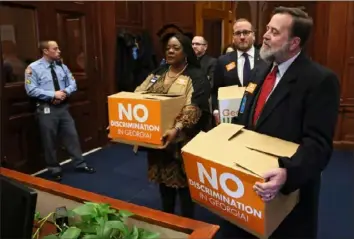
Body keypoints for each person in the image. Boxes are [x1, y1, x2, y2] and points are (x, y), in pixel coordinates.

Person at [224, 7, 340, 239]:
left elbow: (318, 146)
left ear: (294, 42)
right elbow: (245, 115)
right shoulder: (260, 70)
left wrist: (288, 173)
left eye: (274, 32)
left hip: (288, 198)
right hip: (248, 186)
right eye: (267, 28)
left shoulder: (320, 81)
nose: (265, 35)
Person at [134, 34, 211, 218]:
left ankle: (187, 224)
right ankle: (168, 219)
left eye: (176, 48)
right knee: (163, 183)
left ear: (185, 52)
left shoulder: (196, 75)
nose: (170, 51)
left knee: (184, 187)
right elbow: (137, 94)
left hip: (182, 141)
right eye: (168, 47)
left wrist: (177, 128)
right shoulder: (158, 73)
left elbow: (195, 106)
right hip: (158, 139)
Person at [24, 40, 95, 181]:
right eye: (55, 49)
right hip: (46, 108)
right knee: (49, 140)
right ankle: (54, 169)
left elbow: (73, 83)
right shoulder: (33, 68)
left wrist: (63, 93)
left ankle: (80, 164)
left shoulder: (61, 66)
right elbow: (31, 90)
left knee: (72, 136)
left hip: (63, 107)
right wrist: (52, 95)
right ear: (45, 51)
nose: (59, 51)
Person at [212, 18, 262, 114]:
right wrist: (216, 110)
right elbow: (216, 90)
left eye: (246, 32)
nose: (242, 37)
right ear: (233, 38)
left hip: (256, 115)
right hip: (230, 114)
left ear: (254, 36)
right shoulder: (223, 61)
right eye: (238, 33)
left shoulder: (265, 59)